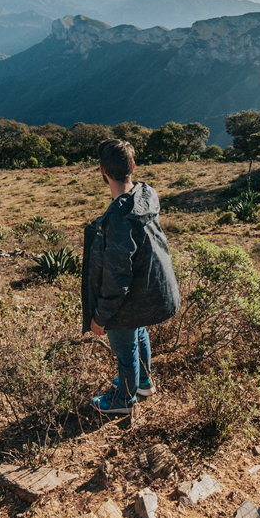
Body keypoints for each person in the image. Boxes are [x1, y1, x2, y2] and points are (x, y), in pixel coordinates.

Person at [82, 138, 181, 414]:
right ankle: (143, 381)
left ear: (102, 170)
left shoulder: (118, 217)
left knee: (124, 346)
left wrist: (101, 317)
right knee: (139, 332)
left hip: (127, 299)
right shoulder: (147, 194)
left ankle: (124, 401)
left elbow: (116, 277)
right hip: (148, 292)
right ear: (133, 166)